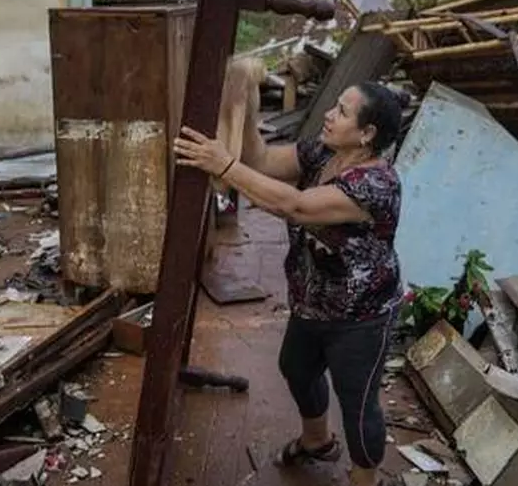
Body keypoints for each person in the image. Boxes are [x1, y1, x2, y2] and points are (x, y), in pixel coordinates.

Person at [173, 79, 405, 486]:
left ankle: (364, 478)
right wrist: (247, 105)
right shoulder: (322, 153)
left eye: (343, 112)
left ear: (367, 134)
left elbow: (294, 206)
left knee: (357, 402)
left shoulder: (376, 185)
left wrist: (223, 165)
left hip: (361, 316)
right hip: (310, 300)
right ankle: (316, 441)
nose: (329, 115)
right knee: (296, 368)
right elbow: (261, 160)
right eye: (334, 106)